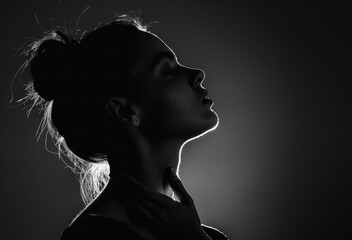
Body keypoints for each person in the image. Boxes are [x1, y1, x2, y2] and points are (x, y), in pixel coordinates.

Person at [20, 13, 228, 240]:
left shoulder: (204, 235)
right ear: (125, 111)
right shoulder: (92, 237)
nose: (197, 74)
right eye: (167, 70)